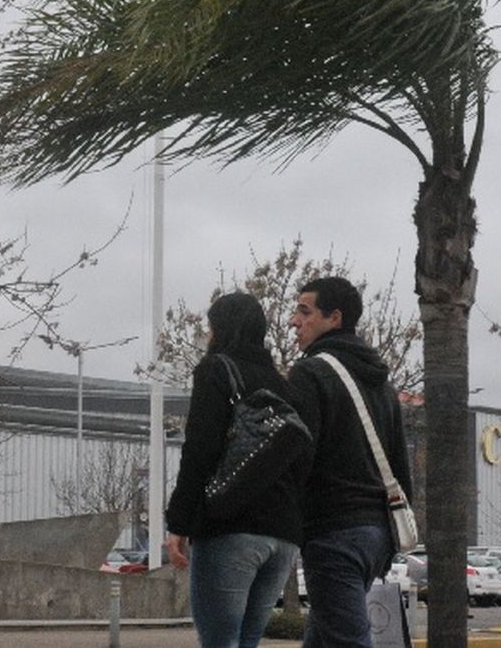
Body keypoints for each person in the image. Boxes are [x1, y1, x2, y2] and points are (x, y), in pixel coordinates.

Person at [165, 292, 308, 648]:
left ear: (220, 329)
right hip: (283, 536)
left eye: (210, 327)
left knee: (220, 641)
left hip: (230, 528)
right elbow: (303, 459)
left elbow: (200, 451)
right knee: (247, 641)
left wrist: (179, 523)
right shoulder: (286, 387)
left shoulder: (217, 370)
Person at [287, 276, 413, 648]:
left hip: (333, 532)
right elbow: (397, 458)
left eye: (304, 311)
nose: (294, 321)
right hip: (377, 533)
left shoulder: (310, 373)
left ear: (334, 318)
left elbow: (298, 456)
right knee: (323, 636)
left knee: (347, 641)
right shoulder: (381, 383)